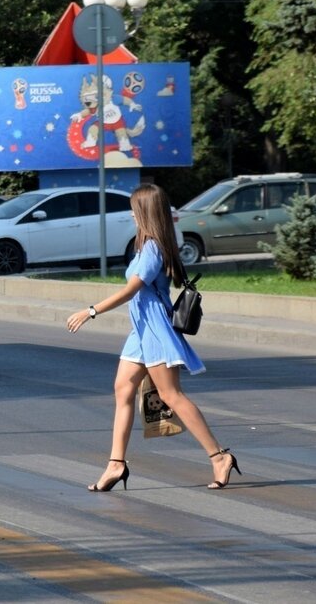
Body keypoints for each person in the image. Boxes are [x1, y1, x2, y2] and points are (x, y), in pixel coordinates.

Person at [65, 183, 241, 491]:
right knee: (122, 390)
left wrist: (91, 311)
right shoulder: (146, 244)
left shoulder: (152, 248)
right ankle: (116, 464)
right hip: (140, 331)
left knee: (172, 395)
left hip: (156, 329)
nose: (131, 213)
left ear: (144, 212)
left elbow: (131, 289)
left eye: (135, 208)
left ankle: (219, 456)